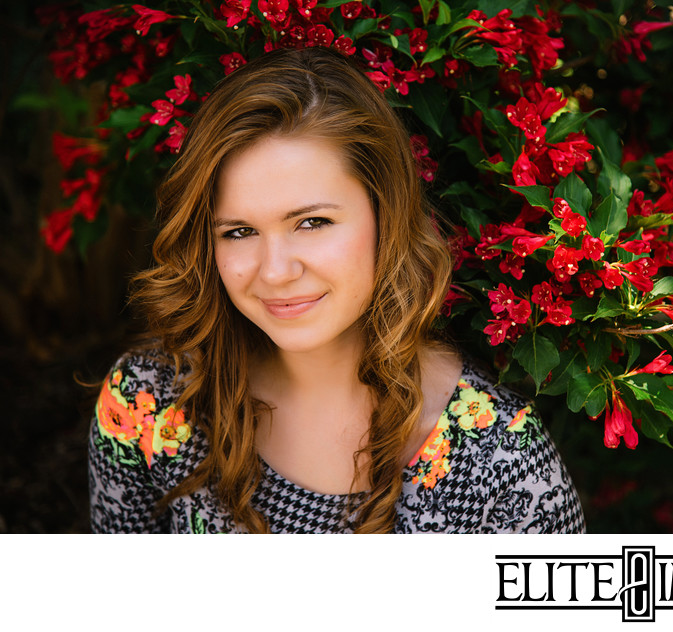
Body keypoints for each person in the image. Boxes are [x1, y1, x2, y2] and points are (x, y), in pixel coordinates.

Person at [88, 46, 585, 534]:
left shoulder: (502, 464)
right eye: (238, 232)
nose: (276, 271)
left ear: (385, 214)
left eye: (312, 222)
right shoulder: (148, 402)